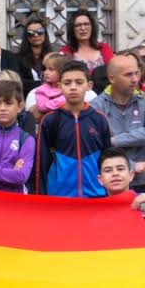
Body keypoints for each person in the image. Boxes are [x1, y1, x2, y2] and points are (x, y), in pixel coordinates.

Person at [38, 61, 112, 197]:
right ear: (60, 86)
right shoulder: (50, 120)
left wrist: (109, 193)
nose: (73, 87)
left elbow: (108, 160)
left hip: (96, 196)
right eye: (67, 83)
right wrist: (40, 198)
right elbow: (41, 164)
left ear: (89, 86)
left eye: (79, 82)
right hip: (60, 198)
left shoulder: (99, 119)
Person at [91, 54, 145, 192]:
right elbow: (97, 145)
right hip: (112, 186)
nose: (135, 79)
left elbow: (107, 142)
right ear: (111, 78)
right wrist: (131, 166)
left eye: (136, 73)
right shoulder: (95, 107)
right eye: (128, 75)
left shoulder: (143, 100)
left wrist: (114, 140)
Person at [17, 16, 53, 96]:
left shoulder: (53, 57)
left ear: (45, 34)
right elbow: (19, 82)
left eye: (40, 31)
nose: (36, 35)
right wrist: (43, 84)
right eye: (30, 33)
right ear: (26, 37)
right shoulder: (17, 59)